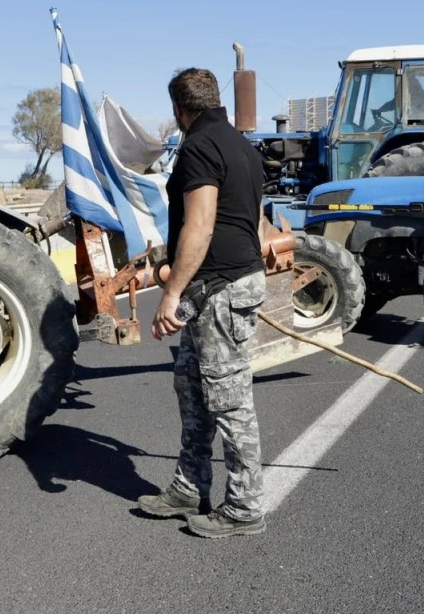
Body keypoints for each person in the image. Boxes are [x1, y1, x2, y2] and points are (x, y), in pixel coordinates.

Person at [138, 67, 269, 538]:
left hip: (218, 290)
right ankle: (189, 487)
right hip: (219, 287)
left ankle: (245, 507)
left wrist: (170, 294)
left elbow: (202, 224)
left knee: (229, 401)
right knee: (192, 388)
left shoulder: (198, 147)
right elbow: (255, 222)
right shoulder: (242, 146)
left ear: (179, 110)